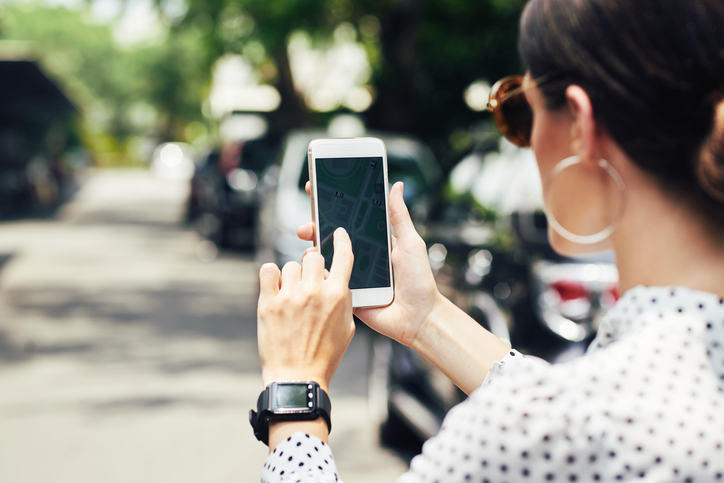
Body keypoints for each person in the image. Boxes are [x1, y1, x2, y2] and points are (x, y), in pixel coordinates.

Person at [253, 0, 724, 481]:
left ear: (579, 126)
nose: (524, 140)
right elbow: (564, 401)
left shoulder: (547, 428)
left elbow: (557, 420)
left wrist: (295, 391)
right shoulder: (620, 401)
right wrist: (426, 318)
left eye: (522, 114)